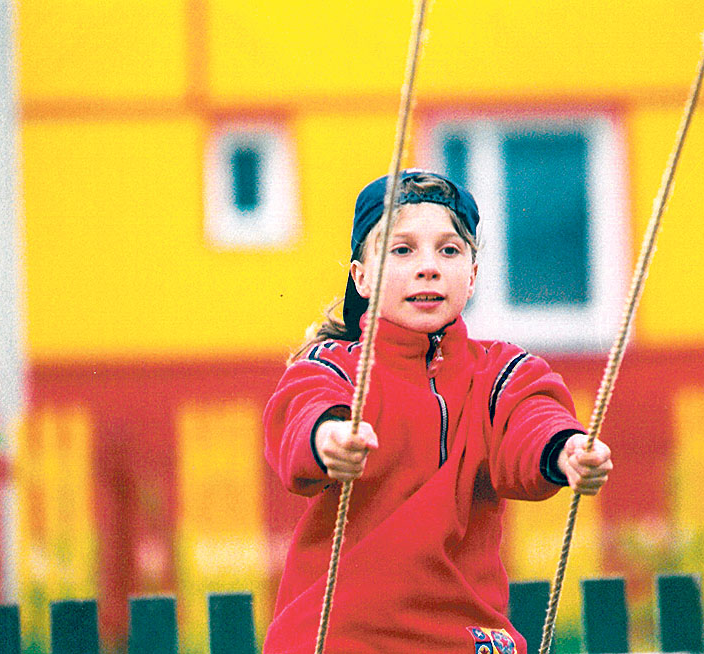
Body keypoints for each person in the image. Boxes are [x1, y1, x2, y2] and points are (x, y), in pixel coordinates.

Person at [263, 170, 613, 654]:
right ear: (361, 277)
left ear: (471, 274)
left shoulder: (500, 371)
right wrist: (327, 439)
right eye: (402, 250)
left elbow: (531, 417)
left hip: (465, 635)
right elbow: (303, 407)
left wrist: (566, 449)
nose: (428, 267)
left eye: (449, 250)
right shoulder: (336, 366)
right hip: (343, 636)